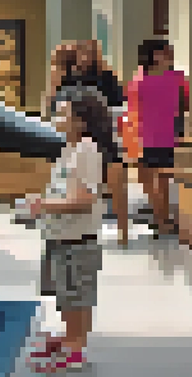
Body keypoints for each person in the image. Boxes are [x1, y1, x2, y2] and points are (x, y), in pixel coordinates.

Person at [24, 87, 116, 373]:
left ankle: (75, 349)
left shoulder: (86, 150)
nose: (56, 118)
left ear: (81, 121)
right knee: (66, 295)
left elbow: (84, 199)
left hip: (77, 240)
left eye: (62, 114)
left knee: (76, 297)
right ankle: (70, 338)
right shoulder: (71, 149)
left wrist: (43, 205)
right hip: (62, 237)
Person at [53, 41, 130, 245]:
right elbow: (55, 103)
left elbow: (119, 102)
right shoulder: (69, 79)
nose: (85, 57)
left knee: (115, 181)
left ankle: (123, 231)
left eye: (89, 52)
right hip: (78, 133)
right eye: (81, 53)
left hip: (101, 130)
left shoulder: (106, 77)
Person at [127, 38, 188, 237]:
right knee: (158, 180)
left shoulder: (141, 80)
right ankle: (162, 218)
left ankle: (161, 219)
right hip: (156, 135)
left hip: (153, 135)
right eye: (165, 51)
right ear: (155, 55)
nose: (169, 55)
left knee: (154, 179)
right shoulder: (174, 79)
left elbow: (133, 110)